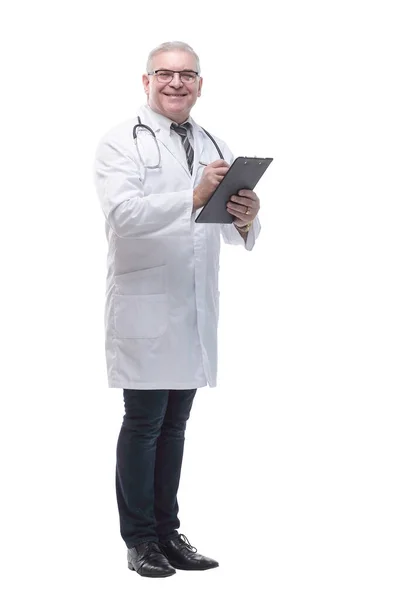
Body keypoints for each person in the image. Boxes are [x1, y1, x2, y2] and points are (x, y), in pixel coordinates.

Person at [93, 41, 261, 578]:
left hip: (191, 306)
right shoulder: (121, 142)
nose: (176, 83)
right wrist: (192, 196)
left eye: (187, 75)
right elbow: (123, 215)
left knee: (175, 426)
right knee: (144, 424)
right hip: (145, 305)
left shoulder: (215, 141)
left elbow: (226, 230)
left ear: (200, 84)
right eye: (164, 74)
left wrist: (243, 215)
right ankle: (140, 540)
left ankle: (169, 532)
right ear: (146, 83)